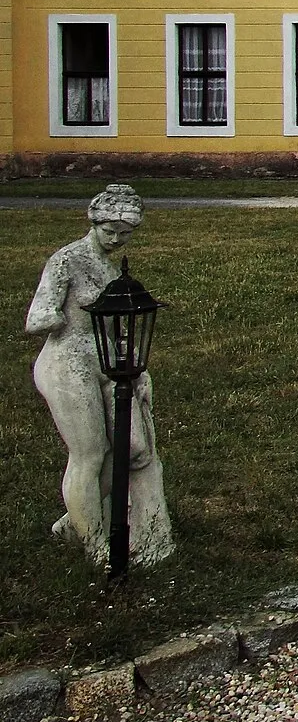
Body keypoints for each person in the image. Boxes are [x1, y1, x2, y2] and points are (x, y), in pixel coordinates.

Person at [23, 184, 174, 570]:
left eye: (125, 234)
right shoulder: (67, 260)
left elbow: (116, 326)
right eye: (110, 231)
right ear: (95, 222)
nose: (117, 240)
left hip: (107, 363)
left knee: (135, 449)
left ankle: (73, 520)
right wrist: (61, 318)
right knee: (90, 453)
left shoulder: (110, 268)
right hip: (67, 361)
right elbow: (37, 317)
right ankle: (95, 546)